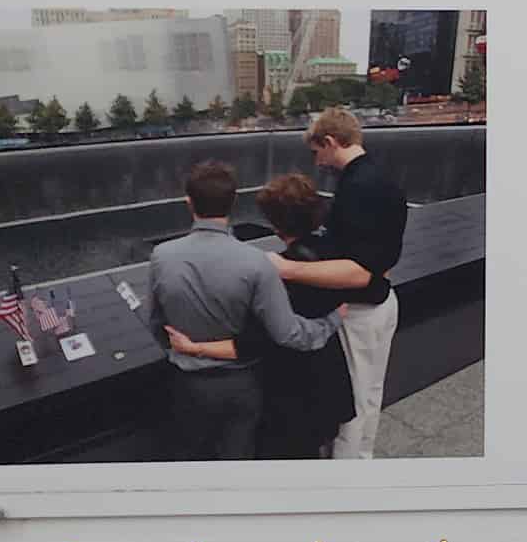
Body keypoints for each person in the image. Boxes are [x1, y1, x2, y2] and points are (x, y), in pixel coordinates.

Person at [146, 160, 343, 460]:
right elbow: (289, 334)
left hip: (187, 385)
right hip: (244, 385)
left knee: (189, 463)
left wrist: (181, 352)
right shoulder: (256, 263)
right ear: (233, 201)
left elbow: (156, 322)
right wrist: (331, 321)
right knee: (238, 464)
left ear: (189, 203)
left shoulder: (161, 256)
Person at [271, 108, 408, 458]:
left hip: (361, 313)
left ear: (330, 142)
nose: (317, 162)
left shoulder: (358, 188)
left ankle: (344, 482)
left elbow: (359, 271)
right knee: (370, 396)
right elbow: (380, 258)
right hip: (383, 303)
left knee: (351, 407)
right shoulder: (380, 176)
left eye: (317, 152)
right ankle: (363, 464)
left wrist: (284, 269)